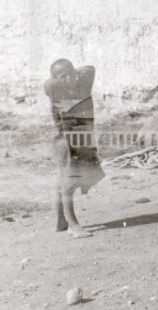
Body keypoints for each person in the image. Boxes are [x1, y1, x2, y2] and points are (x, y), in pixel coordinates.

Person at [44, 58, 104, 238]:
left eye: (71, 73)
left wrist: (71, 73)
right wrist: (59, 78)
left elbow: (90, 68)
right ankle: (73, 224)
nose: (69, 78)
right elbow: (47, 84)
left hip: (83, 139)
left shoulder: (83, 85)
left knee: (64, 181)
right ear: (56, 79)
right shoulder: (56, 91)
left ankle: (61, 219)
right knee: (69, 183)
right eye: (63, 76)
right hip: (65, 142)